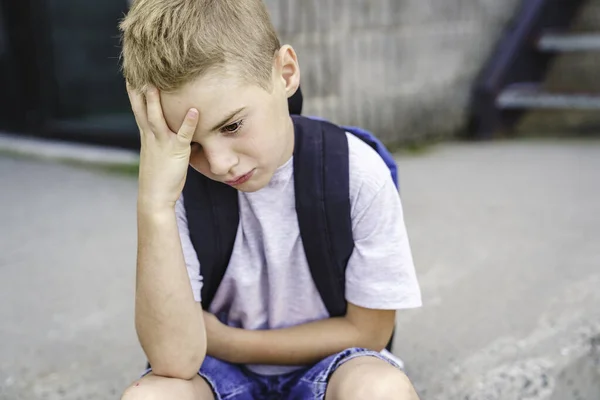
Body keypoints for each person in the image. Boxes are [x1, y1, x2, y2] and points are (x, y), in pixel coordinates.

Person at [118, 0, 422, 398]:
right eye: (189, 146)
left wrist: (224, 339)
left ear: (286, 73)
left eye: (232, 125)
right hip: (215, 372)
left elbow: (370, 332)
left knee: (381, 390)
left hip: (334, 366)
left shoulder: (356, 171)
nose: (220, 163)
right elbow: (175, 362)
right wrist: (155, 207)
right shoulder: (174, 190)